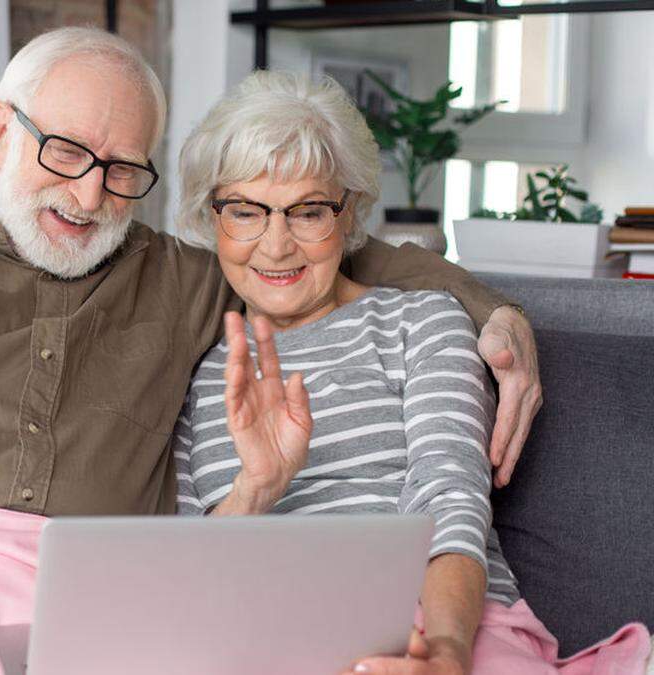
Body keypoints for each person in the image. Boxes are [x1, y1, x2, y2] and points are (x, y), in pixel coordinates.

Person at [0, 26, 540, 526]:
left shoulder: (181, 278)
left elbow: (327, 249)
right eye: (65, 151)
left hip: (83, 615)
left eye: (123, 169)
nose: (89, 193)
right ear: (2, 130)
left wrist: (494, 311)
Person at [172, 70, 645, 674]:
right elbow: (191, 581)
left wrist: (445, 653)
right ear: (210, 218)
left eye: (308, 212)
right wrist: (256, 488)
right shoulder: (204, 369)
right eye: (245, 211)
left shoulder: (419, 320)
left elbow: (449, 495)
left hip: (438, 618)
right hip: (271, 639)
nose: (276, 244)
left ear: (350, 216)